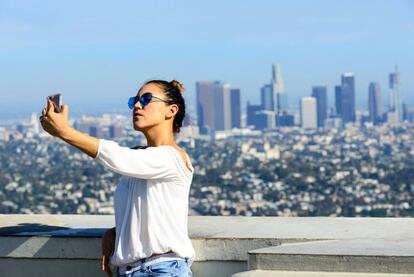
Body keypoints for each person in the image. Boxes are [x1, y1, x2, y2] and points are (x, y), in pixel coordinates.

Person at [39, 80, 195, 276]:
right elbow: (146, 208)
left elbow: (117, 157)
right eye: (135, 101)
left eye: (146, 99)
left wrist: (65, 132)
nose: (137, 105)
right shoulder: (141, 159)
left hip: (162, 269)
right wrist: (117, 232)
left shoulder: (172, 158)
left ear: (171, 110)